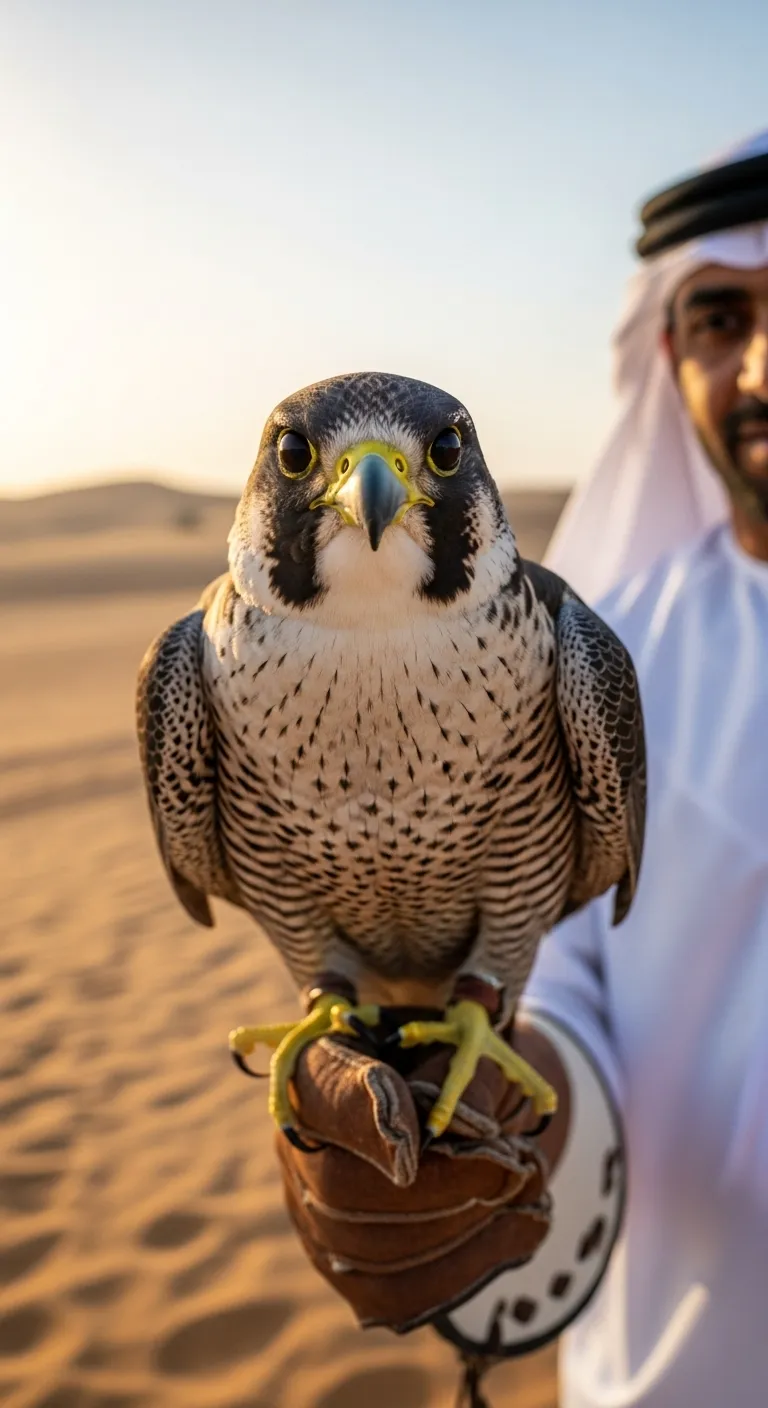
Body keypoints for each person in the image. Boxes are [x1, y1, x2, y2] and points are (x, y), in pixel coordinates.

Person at [276, 129, 768, 1407]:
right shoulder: (608, 645)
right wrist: (474, 1122)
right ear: (669, 352)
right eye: (725, 315)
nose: (764, 363)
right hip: (678, 1367)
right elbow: (571, 985)